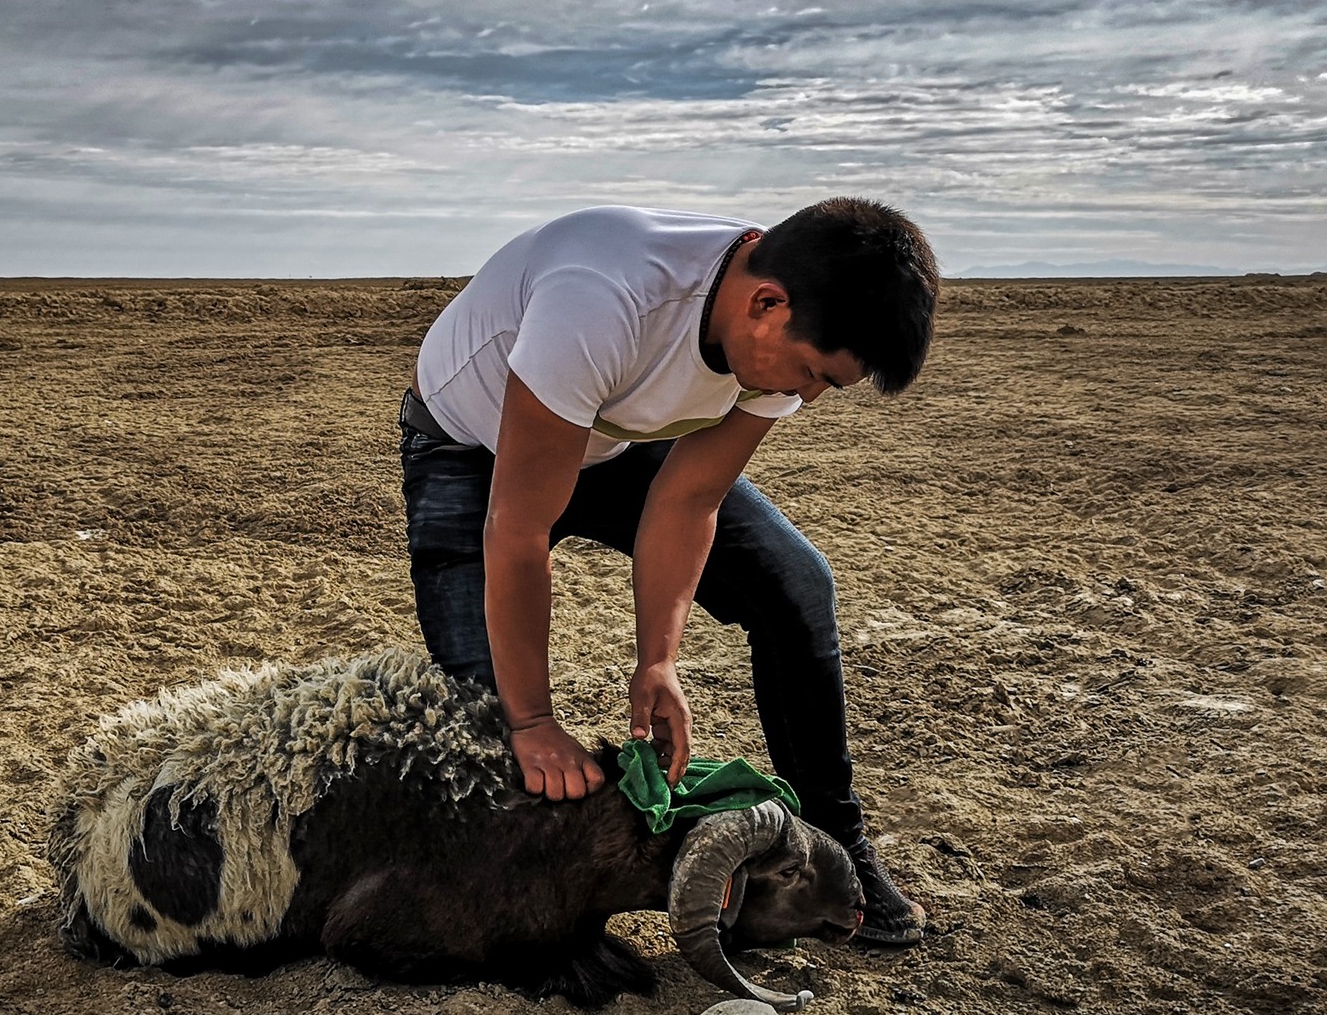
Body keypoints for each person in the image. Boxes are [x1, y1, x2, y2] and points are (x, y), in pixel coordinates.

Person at [397, 198, 937, 944]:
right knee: (491, 736)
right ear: (765, 303)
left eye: (826, 385)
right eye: (812, 372)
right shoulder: (602, 298)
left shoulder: (775, 328)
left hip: (615, 442)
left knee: (797, 585)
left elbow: (688, 499)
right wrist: (534, 720)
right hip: (470, 447)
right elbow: (517, 528)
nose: (806, 395)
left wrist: (659, 660)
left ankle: (837, 846)